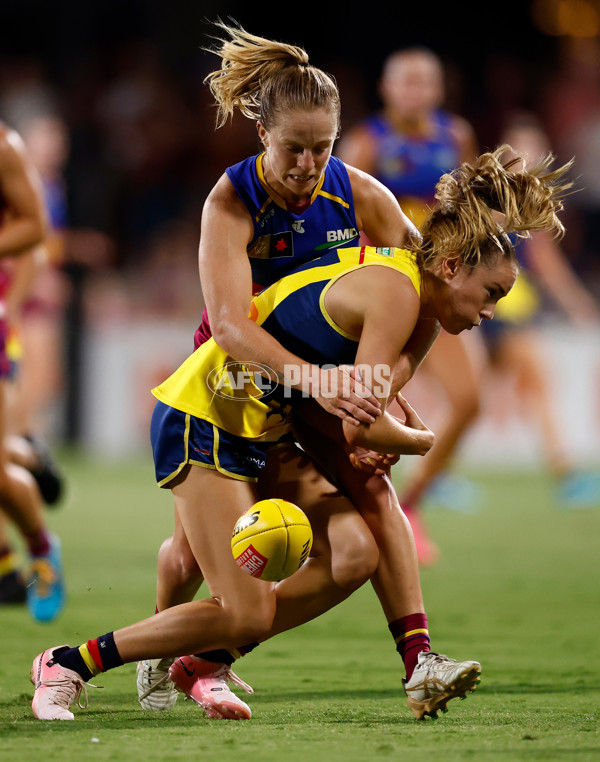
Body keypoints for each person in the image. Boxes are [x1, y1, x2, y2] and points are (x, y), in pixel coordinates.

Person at [31, 134, 572, 722]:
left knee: (355, 552)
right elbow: (367, 426)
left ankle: (395, 661)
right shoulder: (395, 290)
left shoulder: (423, 305)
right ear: (448, 266)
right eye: (491, 293)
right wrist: (416, 439)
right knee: (235, 602)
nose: (491, 310)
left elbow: (367, 413)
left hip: (274, 417)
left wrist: (376, 427)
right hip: (212, 409)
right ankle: (69, 663)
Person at [336, 46, 484, 565]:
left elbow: (465, 214)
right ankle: (362, 507)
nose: (417, 90)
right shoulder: (367, 143)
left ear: (439, 90)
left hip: (437, 292)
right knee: (366, 402)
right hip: (385, 291)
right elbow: (341, 215)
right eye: (407, 81)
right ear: (387, 89)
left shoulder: (456, 137)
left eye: (426, 81)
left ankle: (411, 504)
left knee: (469, 399)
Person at [479, 112, 600, 504]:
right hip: (496, 306)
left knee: (485, 392)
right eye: (518, 150)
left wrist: (576, 301)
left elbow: (547, 264)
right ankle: (565, 474)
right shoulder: (492, 200)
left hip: (509, 308)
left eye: (532, 149)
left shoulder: (534, 204)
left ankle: (435, 476)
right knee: (534, 381)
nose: (526, 158)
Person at [0, 120, 65, 620]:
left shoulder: (4, 145)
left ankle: (41, 551)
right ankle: (30, 455)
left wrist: (10, 307)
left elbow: (36, 232)